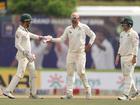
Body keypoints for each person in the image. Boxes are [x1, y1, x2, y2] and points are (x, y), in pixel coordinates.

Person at [46, 12, 96, 99]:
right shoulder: (68, 28)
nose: (74, 20)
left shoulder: (83, 27)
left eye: (75, 18)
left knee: (81, 72)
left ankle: (88, 91)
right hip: (71, 54)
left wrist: (89, 45)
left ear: (78, 19)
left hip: (80, 53)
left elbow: (93, 35)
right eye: (72, 18)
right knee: (70, 73)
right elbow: (62, 39)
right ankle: (69, 94)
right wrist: (51, 40)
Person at [3, 13, 47, 99]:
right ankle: (7, 91)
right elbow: (17, 45)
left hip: (29, 57)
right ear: (25, 22)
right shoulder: (19, 31)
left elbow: (33, 36)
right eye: (29, 22)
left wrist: (43, 37)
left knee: (33, 74)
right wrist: (25, 52)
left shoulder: (25, 31)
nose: (30, 23)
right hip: (23, 56)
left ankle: (33, 94)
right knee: (20, 74)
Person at [115, 16, 139, 100]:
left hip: (130, 56)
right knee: (126, 76)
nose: (122, 25)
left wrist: (135, 57)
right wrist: (118, 55)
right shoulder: (122, 34)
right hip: (123, 57)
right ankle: (135, 92)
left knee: (128, 76)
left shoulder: (133, 33)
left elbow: (136, 46)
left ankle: (125, 95)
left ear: (129, 24)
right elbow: (121, 45)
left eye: (124, 24)